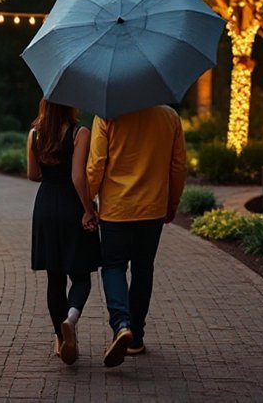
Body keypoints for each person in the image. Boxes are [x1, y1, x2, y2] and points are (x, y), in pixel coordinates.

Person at [86, 104, 187, 367]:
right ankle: (136, 338)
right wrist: (172, 201)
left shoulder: (107, 114)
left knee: (113, 267)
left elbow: (96, 165)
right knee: (143, 269)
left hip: (116, 210)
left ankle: (121, 324)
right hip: (152, 208)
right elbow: (178, 166)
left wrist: (86, 203)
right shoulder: (169, 116)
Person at [27, 98, 101, 365]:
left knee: (54, 278)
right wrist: (88, 210)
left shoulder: (35, 133)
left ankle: (60, 339)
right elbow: (78, 177)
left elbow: (33, 174)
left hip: (45, 206)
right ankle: (71, 318)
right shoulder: (79, 132)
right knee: (81, 275)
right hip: (71, 206)